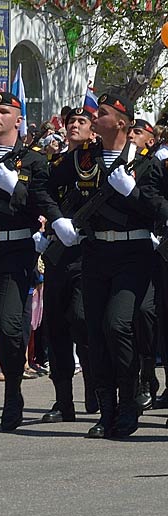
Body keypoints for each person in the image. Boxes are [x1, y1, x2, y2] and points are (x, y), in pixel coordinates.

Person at [51, 94, 166, 438]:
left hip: (134, 253)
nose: (93, 117)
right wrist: (58, 221)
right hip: (95, 252)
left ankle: (130, 402)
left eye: (100, 114)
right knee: (95, 330)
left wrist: (134, 194)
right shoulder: (83, 157)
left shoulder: (147, 164)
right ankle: (108, 409)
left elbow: (161, 210)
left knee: (118, 325)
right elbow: (45, 186)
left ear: (121, 122)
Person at [0, 92, 69, 434]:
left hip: (16, 250)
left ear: (18, 120)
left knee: (7, 326)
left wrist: (15, 191)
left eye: (5, 111)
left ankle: (13, 396)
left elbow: (40, 203)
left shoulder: (34, 162)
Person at [41, 107, 96, 422]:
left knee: (81, 319)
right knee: (56, 327)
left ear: (92, 129)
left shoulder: (96, 160)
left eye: (82, 121)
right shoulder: (56, 164)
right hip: (58, 253)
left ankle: (94, 382)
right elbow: (42, 197)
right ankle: (63, 401)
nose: (74, 125)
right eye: (71, 121)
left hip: (86, 253)